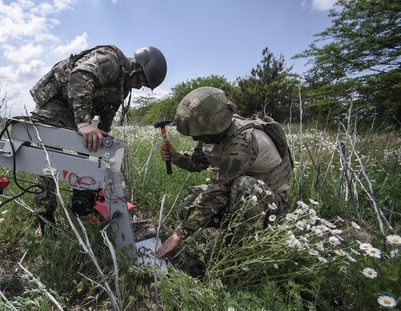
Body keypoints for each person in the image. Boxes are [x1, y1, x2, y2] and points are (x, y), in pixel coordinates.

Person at [28, 45, 167, 232]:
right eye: (143, 81)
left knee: (89, 155)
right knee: (51, 157)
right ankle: (44, 216)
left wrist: (102, 146)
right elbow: (79, 75)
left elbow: (107, 116)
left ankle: (83, 201)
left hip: (73, 109)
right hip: (56, 103)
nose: (141, 86)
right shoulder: (111, 61)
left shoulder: (122, 87)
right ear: (137, 69)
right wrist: (84, 124)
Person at [155, 87, 293, 259]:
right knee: (187, 208)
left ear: (213, 126)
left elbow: (218, 191)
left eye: (199, 135)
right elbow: (198, 163)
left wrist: (179, 234)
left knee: (243, 186)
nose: (196, 140)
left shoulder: (242, 142)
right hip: (236, 193)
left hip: (271, 202)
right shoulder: (213, 134)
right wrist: (176, 158)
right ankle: (232, 226)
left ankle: (234, 250)